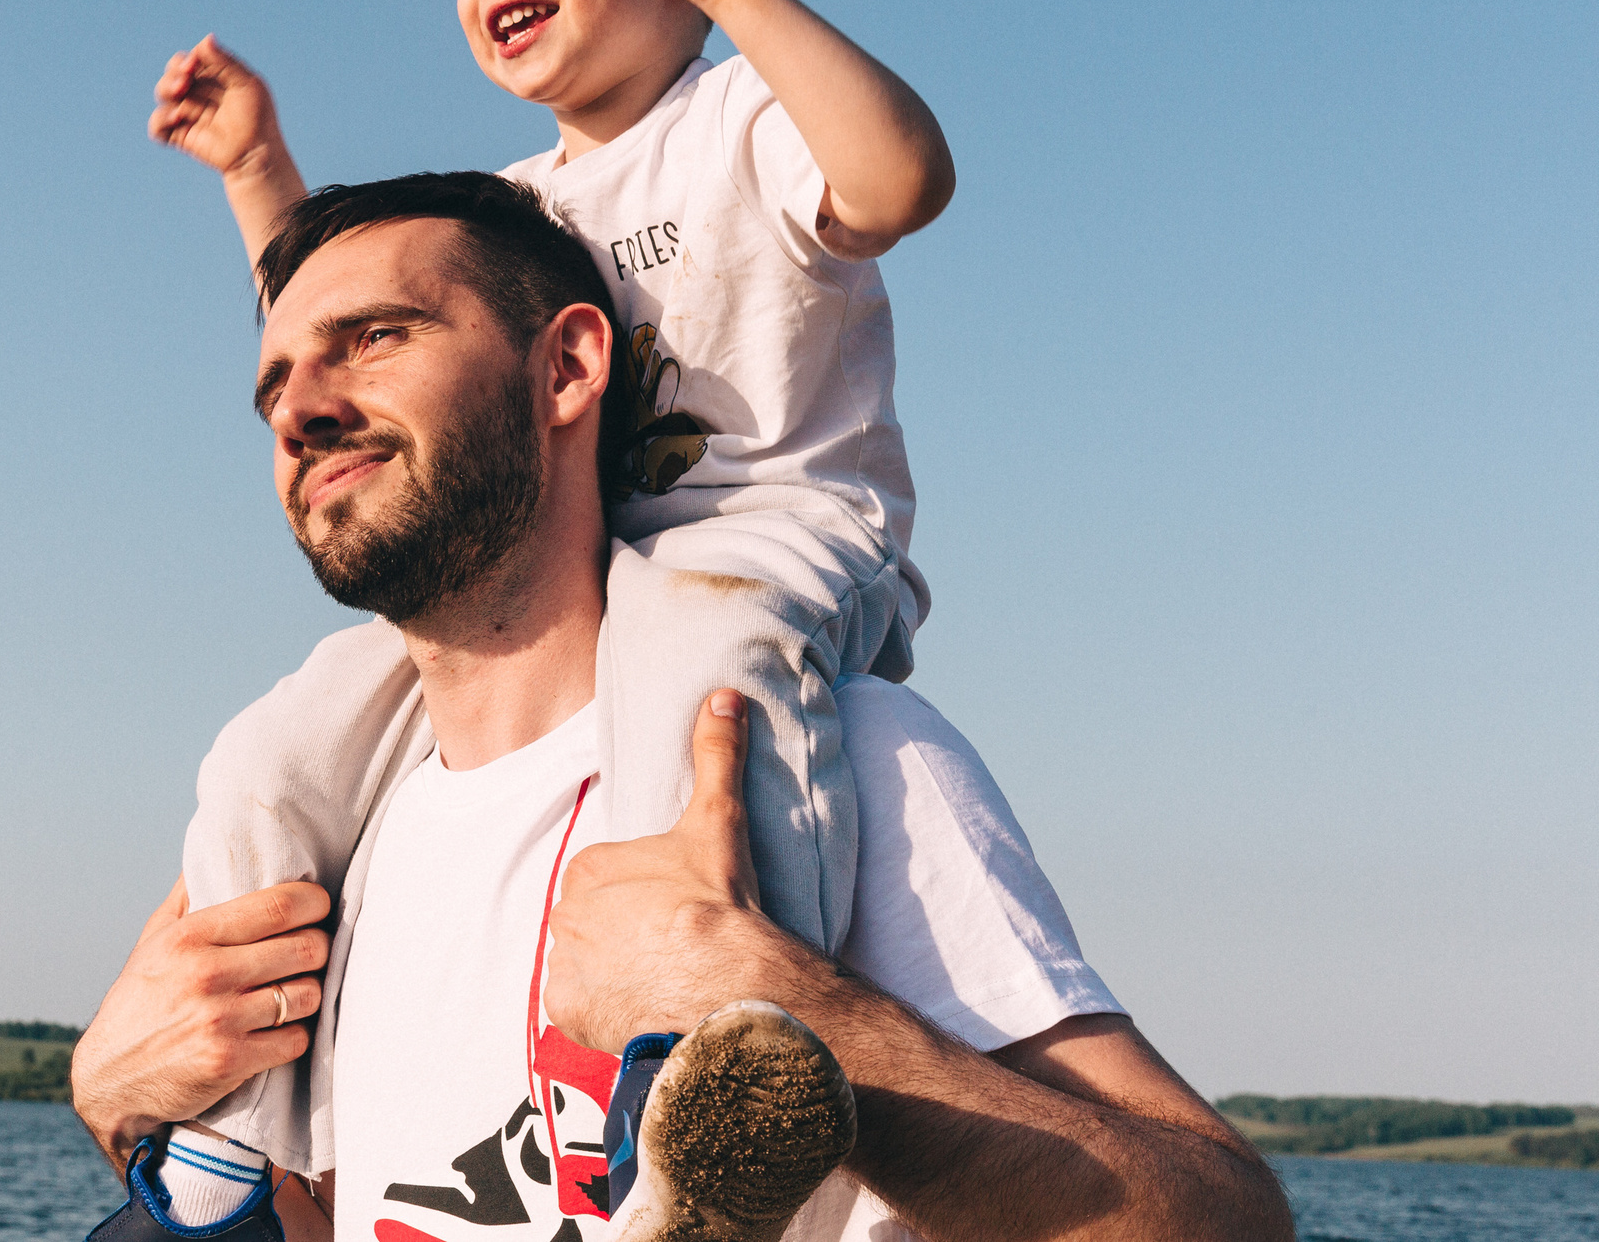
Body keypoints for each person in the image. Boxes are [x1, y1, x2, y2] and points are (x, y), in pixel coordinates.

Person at [72, 176, 1292, 1241]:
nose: (302, 408)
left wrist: (797, 1015)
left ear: (567, 366)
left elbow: (1229, 1221)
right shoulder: (330, 857)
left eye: (376, 337)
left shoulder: (843, 759)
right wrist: (124, 1109)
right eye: (274, 385)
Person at [139, 0, 956, 1202]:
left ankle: (701, 1056)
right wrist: (255, 163)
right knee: (271, 752)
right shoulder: (520, 207)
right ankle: (241, 1140)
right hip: (574, 581)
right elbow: (336, 312)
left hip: (761, 546)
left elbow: (897, 182)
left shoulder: (741, 121)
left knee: (708, 666)